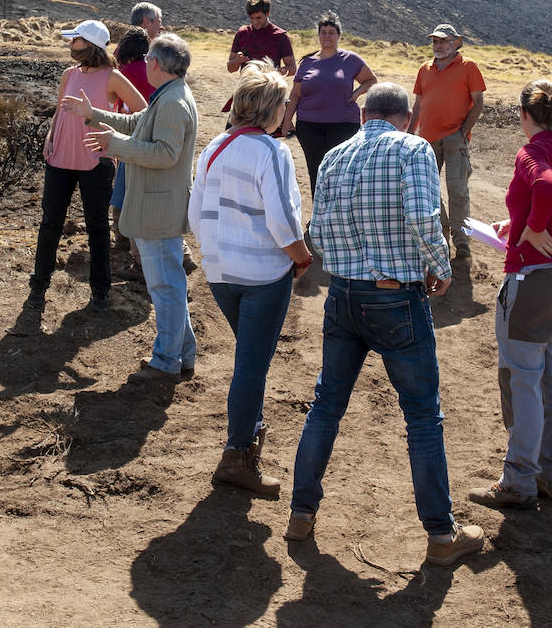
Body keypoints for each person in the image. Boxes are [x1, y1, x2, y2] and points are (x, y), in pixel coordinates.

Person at [286, 82, 485, 567]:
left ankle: (300, 512)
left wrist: (346, 267)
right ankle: (441, 533)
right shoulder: (412, 148)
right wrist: (441, 265)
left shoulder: (334, 157)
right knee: (422, 415)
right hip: (396, 298)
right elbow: (423, 215)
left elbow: (320, 231)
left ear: (364, 116)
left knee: (326, 406)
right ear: (402, 117)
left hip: (344, 295)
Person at [190, 61, 314, 497]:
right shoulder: (272, 152)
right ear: (271, 109)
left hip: (221, 272)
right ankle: (238, 454)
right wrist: (301, 256)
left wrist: (217, 251)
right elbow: (283, 218)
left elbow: (196, 213)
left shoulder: (215, 147)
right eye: (284, 103)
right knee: (251, 366)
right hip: (263, 275)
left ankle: (248, 437)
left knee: (249, 357)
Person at [471, 80, 552, 511]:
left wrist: (534, 229)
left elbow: (547, 188)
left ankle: (519, 480)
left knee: (522, 379)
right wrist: (518, 223)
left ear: (524, 115)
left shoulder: (533, 152)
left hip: (534, 281)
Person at [61, 33, 199, 379]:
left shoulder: (172, 102)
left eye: (148, 59)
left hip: (159, 209)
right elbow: (139, 125)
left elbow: (165, 154)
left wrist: (115, 144)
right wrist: (94, 115)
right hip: (160, 206)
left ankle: (166, 361)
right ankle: (181, 355)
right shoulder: (169, 95)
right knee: (170, 285)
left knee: (165, 287)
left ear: (155, 63)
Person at [26, 20, 146, 315]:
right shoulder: (69, 74)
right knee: (50, 223)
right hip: (60, 158)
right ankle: (38, 289)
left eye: (75, 40)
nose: (70, 44)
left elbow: (143, 112)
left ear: (89, 44)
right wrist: (49, 138)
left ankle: (100, 293)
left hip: (97, 161)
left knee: (97, 228)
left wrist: (115, 139)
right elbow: (59, 111)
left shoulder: (113, 77)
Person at [407, 23, 486, 260]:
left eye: (443, 41)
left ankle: (461, 240)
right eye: (435, 42)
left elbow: (478, 101)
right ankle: (439, 233)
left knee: (457, 190)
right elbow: (419, 104)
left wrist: (464, 131)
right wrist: (410, 134)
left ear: (455, 43)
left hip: (455, 137)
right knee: (429, 190)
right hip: (427, 139)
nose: (438, 46)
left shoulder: (468, 67)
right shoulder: (425, 68)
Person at [279, 12, 378, 196]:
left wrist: (356, 93)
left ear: (339, 35)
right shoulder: (307, 62)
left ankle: (338, 215)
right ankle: (318, 216)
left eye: (331, 32)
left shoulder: (350, 59)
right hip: (309, 125)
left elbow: (371, 80)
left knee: (340, 170)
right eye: (323, 32)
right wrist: (287, 120)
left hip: (343, 125)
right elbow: (296, 94)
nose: (327, 36)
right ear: (318, 35)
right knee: (315, 170)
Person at [108, 28, 155, 253]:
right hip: (154, 133)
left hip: (131, 132)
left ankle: (122, 235)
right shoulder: (153, 69)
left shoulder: (125, 71)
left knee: (123, 185)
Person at [227, 0, 296, 77]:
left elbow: (292, 69)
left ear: (267, 13)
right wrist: (237, 60)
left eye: (258, 18)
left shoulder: (280, 36)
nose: (255, 22)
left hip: (270, 87)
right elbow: (230, 68)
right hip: (247, 87)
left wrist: (273, 72)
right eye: (251, 18)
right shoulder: (242, 33)